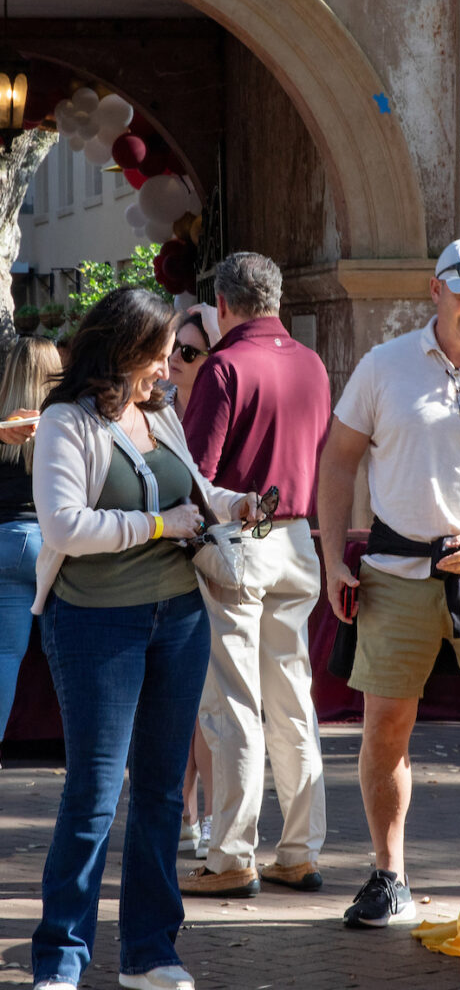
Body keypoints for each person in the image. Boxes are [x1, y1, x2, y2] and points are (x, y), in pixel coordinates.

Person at [28, 287, 260, 990]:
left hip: (179, 619)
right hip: (96, 623)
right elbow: (64, 526)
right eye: (161, 354)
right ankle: (59, 960)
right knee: (93, 795)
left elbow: (192, 491)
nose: (170, 368)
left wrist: (234, 505)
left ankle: (151, 951)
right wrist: (159, 528)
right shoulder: (66, 420)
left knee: (163, 791)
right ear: (123, 347)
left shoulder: (161, 413)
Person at [318, 235, 460, 930]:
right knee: (386, 727)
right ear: (434, 291)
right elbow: (337, 461)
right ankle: (390, 876)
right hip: (394, 572)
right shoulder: (385, 365)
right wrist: (332, 559)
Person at [179, 252, 331, 898]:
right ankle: (299, 850)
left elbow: (197, 472)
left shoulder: (225, 366)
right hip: (296, 539)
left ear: (223, 304)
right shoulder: (311, 363)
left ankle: (232, 853)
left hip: (239, 540)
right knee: (292, 703)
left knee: (234, 704)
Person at [167, 304, 221, 860]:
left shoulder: (217, 405)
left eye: (189, 351)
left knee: (206, 707)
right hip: (163, 566)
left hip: (208, 564)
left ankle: (208, 818)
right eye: (173, 350)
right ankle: (181, 814)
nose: (176, 361)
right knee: (174, 704)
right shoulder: (157, 408)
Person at [0, 337, 62, 744]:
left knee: (6, 656)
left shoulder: (4, 426)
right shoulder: (61, 424)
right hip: (45, 541)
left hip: (4, 538)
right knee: (65, 656)